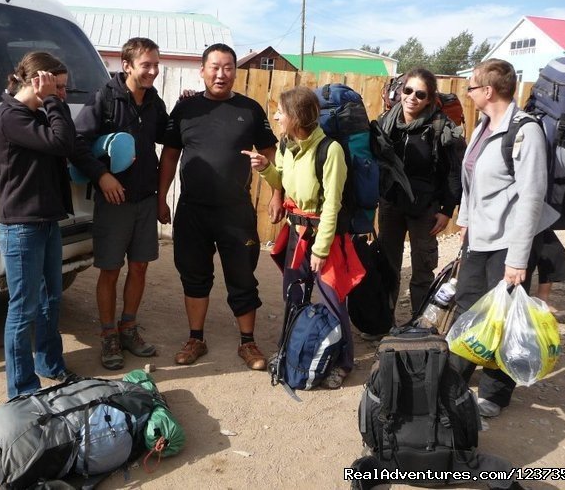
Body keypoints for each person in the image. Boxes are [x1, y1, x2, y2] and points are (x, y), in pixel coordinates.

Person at [157, 43, 278, 371]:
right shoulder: (186, 110)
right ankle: (196, 337)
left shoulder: (250, 110)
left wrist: (277, 193)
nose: (221, 74)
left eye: (227, 67)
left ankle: (247, 342)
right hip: (192, 210)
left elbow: (270, 153)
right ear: (203, 70)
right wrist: (161, 197)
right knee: (193, 275)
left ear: (235, 71)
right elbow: (169, 155)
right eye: (214, 67)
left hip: (235, 211)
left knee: (242, 276)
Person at [451, 58, 560, 418]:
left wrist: (518, 258)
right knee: (469, 308)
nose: (467, 92)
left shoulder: (524, 131)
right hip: (478, 239)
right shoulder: (483, 127)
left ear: (489, 90)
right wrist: (465, 221)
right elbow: (471, 180)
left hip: (508, 244)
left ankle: (495, 395)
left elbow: (532, 195)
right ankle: (457, 378)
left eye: (471, 86)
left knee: (505, 317)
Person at [244, 86, 365, 388]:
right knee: (294, 296)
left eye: (280, 113)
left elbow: (332, 205)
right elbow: (281, 182)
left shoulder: (330, 150)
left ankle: (343, 362)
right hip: (296, 234)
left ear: (296, 117)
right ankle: (292, 350)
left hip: (324, 238)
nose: (276, 117)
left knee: (331, 300)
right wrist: (265, 169)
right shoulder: (287, 145)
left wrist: (321, 249)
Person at [70, 38, 168, 370]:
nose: (153, 71)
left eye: (156, 64)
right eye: (147, 65)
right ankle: (109, 334)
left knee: (140, 266)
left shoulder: (155, 102)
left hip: (145, 198)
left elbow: (169, 135)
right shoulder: (105, 98)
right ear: (127, 65)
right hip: (114, 201)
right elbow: (77, 142)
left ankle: (129, 327)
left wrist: (188, 104)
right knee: (110, 270)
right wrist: (102, 176)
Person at [0, 51, 76, 399]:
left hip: (44, 221)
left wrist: (51, 102)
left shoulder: (31, 114)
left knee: (50, 299)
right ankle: (22, 389)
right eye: (60, 87)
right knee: (24, 308)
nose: (64, 95)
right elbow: (62, 142)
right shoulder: (12, 116)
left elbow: (65, 141)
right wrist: (52, 102)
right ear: (39, 80)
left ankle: (49, 364)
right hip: (22, 227)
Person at [375, 68, 463, 333]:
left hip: (425, 208)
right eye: (408, 90)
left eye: (420, 94)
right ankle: (383, 321)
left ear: (429, 99)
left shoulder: (440, 128)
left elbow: (453, 173)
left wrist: (447, 210)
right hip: (390, 203)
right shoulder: (386, 123)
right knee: (388, 265)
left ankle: (419, 325)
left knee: (422, 268)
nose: (412, 97)